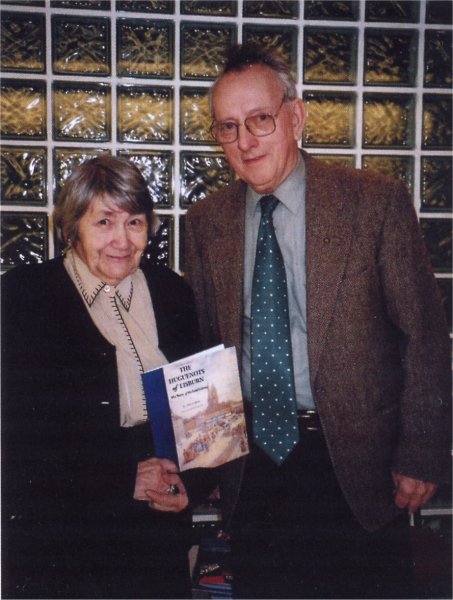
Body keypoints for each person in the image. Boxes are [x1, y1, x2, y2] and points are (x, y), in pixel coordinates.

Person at [180, 44, 452, 599]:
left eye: (260, 119)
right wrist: (205, 466)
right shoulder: (206, 221)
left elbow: (422, 335)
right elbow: (207, 350)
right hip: (256, 467)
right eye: (228, 127)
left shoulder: (374, 202)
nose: (245, 141)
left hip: (361, 463)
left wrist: (421, 453)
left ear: (296, 116)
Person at [1, 156, 204, 599]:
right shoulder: (24, 297)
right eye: (104, 221)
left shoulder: (174, 293)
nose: (121, 240)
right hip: (65, 531)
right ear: (72, 228)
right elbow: (16, 438)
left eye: (134, 222)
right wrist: (119, 478)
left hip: (156, 529)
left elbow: (207, 411)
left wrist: (192, 485)